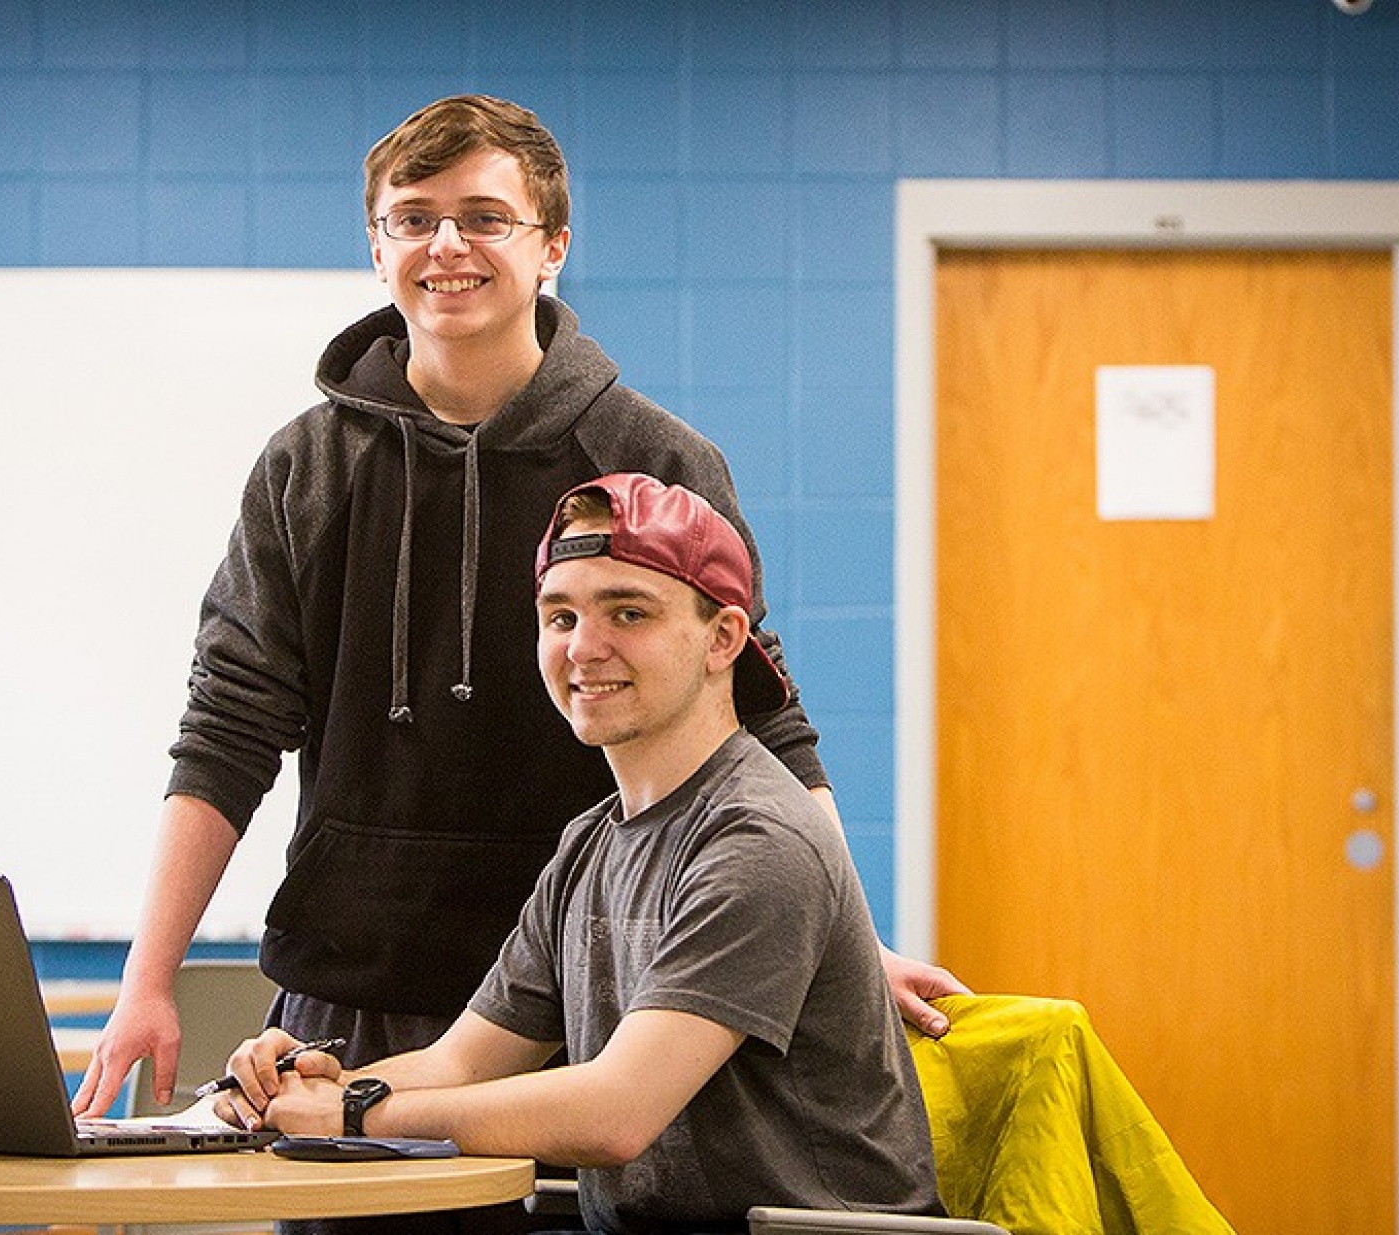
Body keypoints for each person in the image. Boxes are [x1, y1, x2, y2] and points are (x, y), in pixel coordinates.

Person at [71, 94, 963, 1231]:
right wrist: (151, 978)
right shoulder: (305, 466)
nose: (447, 246)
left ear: (551, 246)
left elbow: (762, 714)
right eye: (415, 218)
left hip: (608, 1008)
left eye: (484, 218)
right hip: (376, 989)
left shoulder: (652, 458)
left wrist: (834, 931)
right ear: (378, 246)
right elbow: (228, 722)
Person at [217, 473, 944, 1234]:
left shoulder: (756, 838)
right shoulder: (591, 843)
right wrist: (301, 1091)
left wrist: (352, 1113)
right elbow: (460, 1062)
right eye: (559, 616)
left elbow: (615, 1111)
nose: (584, 648)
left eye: (627, 612)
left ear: (723, 638)